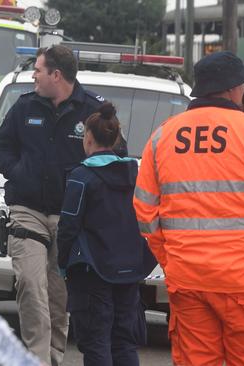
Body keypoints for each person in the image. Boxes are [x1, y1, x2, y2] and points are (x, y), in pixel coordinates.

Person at [133, 51, 244, 366]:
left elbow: (144, 208)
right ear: (230, 87)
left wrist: (170, 258)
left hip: (189, 278)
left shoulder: (163, 136)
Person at [0, 45, 107, 366]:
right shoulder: (25, 106)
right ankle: (35, 359)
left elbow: (111, 157)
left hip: (71, 218)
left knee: (58, 295)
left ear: (56, 75)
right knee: (29, 282)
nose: (34, 76)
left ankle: (54, 357)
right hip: (27, 210)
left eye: (38, 70)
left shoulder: (93, 110)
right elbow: (0, 147)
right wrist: (18, 172)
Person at [57, 103, 156, 366]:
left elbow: (68, 226)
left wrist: (63, 263)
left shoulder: (81, 176)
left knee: (96, 341)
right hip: (130, 269)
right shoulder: (136, 173)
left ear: (88, 138)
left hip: (93, 271)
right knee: (124, 340)